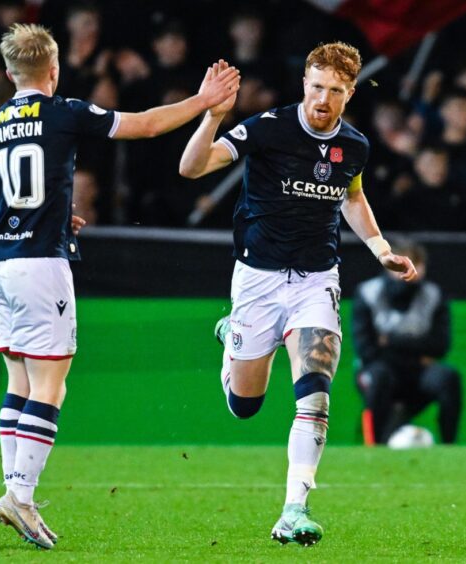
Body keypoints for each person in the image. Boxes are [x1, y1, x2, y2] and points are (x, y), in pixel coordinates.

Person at [0, 23, 239, 550]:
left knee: (18, 380)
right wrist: (204, 101)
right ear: (53, 68)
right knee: (51, 384)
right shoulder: (64, 111)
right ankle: (19, 495)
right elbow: (144, 125)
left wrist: (38, 211)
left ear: (7, 74)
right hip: (39, 266)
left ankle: (15, 492)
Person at [179, 42, 417, 547]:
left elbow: (352, 196)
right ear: (303, 84)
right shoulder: (268, 128)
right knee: (245, 405)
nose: (322, 99)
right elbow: (192, 168)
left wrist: (380, 249)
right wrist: (211, 117)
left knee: (315, 393)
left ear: (349, 93)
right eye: (315, 87)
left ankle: (294, 509)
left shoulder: (354, 145)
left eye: (334, 90)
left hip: (316, 280)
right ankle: (232, 339)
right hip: (258, 279)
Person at [352, 240, 462, 446]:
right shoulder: (368, 293)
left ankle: (449, 445)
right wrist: (416, 351)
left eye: (416, 263)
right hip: (380, 371)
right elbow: (366, 349)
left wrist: (390, 341)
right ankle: (374, 444)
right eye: (402, 263)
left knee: (448, 378)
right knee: (379, 377)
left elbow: (440, 345)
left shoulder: (433, 296)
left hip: (418, 372)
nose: (409, 270)